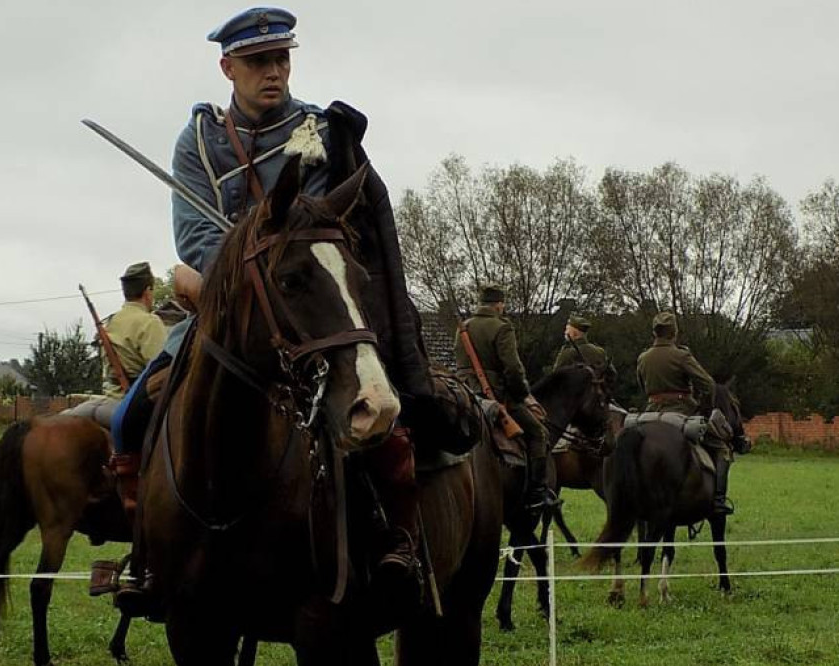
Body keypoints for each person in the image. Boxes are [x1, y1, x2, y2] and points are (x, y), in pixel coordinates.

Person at [107, 7, 436, 615]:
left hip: (302, 301)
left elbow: (315, 228)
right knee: (132, 413)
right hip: (225, 306)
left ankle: (395, 535)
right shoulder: (199, 142)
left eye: (282, 59)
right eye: (259, 62)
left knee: (373, 396)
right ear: (227, 67)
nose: (274, 72)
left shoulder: (315, 133)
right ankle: (148, 553)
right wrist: (218, 286)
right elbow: (195, 240)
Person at [455, 285, 559, 513]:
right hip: (497, 396)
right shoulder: (502, 328)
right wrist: (521, 395)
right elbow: (513, 368)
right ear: (499, 304)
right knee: (538, 434)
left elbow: (461, 365)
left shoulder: (464, 328)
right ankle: (538, 493)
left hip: (467, 396)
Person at [636, 311, 733, 515]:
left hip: (650, 413)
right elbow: (708, 384)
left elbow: (642, 385)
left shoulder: (643, 358)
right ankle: (718, 500)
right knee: (722, 448)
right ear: (674, 332)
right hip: (681, 411)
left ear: (655, 333)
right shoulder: (681, 355)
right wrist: (702, 407)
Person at [101, 263, 168, 399]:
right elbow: (161, 371)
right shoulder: (150, 322)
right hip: (135, 400)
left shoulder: (110, 321)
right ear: (147, 292)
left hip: (110, 395)